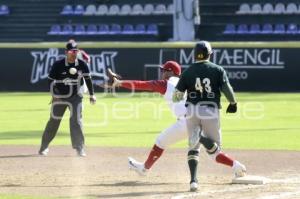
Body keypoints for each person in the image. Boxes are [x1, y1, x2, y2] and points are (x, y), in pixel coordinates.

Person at [104, 60, 245, 192]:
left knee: (162, 142)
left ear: (169, 72)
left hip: (186, 122)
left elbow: (142, 84)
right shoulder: (187, 81)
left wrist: (119, 83)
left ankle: (145, 169)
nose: (162, 73)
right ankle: (236, 166)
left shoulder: (167, 83)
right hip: (203, 115)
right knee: (212, 153)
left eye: (163, 70)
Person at [173, 40, 246, 191]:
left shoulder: (188, 71)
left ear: (194, 55)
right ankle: (200, 137)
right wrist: (233, 103)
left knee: (193, 148)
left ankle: (193, 181)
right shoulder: (217, 69)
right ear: (210, 54)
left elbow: (177, 97)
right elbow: (227, 89)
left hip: (192, 110)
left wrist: (183, 94)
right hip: (210, 110)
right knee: (215, 150)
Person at [39, 40, 96, 157]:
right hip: (60, 96)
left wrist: (92, 94)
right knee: (54, 121)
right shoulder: (58, 64)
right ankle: (44, 147)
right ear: (66, 52)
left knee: (76, 121)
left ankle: (79, 148)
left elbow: (88, 80)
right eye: (71, 51)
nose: (73, 53)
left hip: (76, 97)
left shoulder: (82, 64)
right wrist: (54, 95)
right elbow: (50, 80)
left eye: (75, 51)